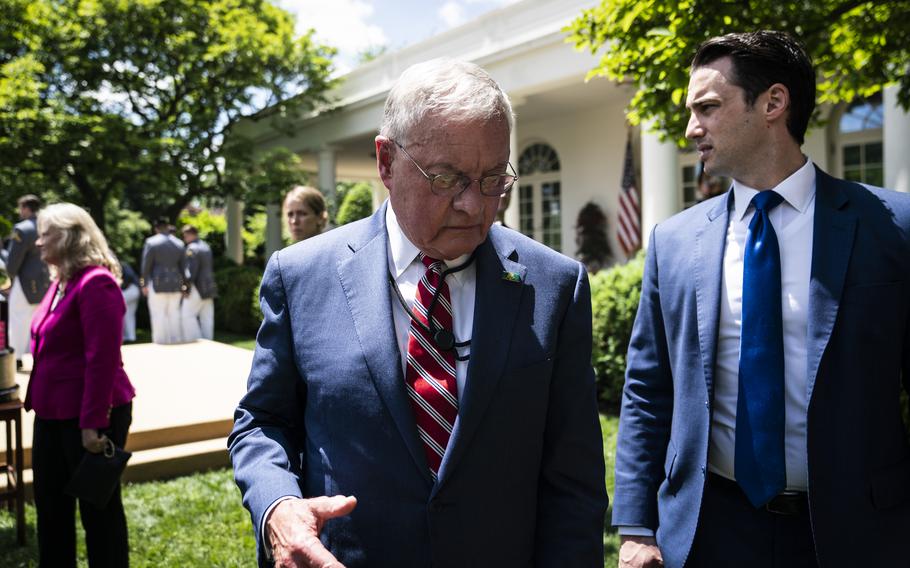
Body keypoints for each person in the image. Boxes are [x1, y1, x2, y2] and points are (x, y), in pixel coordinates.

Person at [229, 58, 607, 567]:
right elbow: (262, 422)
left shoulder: (555, 285)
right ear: (386, 162)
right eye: (447, 179)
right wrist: (277, 505)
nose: (474, 206)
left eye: (494, 178)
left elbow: (575, 482)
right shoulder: (301, 276)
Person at [613, 31, 910, 568]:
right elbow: (647, 389)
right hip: (708, 531)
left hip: (854, 531)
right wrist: (636, 527)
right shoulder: (672, 243)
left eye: (707, 107)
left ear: (773, 103)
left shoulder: (893, 228)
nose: (689, 129)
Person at [25, 202, 136, 567]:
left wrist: (92, 425)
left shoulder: (96, 283)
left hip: (91, 417)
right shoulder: (61, 282)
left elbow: (102, 360)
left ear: (71, 237)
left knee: (98, 514)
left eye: (46, 234)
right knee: (51, 508)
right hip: (52, 414)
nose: (38, 242)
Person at [1, 194, 51, 368]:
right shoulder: (47, 226)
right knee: (40, 320)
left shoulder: (21, 229)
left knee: (17, 320)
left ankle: (16, 358)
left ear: (25, 208)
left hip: (24, 282)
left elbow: (13, 261)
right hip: (46, 281)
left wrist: (8, 280)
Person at [140, 218, 185, 344]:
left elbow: (146, 266)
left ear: (156, 228)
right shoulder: (179, 243)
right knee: (174, 314)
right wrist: (185, 286)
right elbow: (183, 268)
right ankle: (175, 341)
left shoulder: (151, 242)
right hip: (176, 283)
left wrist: (143, 284)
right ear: (167, 226)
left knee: (158, 314)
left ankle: (160, 343)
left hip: (157, 283)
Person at [179, 224, 216, 341]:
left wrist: (186, 287)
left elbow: (190, 271)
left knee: (187, 315)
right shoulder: (206, 246)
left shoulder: (192, 248)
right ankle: (208, 342)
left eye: (185, 236)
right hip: (209, 285)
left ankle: (195, 341)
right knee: (207, 317)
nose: (185, 239)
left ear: (191, 234)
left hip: (197, 286)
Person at [119, 260, 140, 343]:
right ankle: (130, 337)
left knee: (117, 307)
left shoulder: (122, 265)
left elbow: (129, 277)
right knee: (128, 314)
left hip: (132, 289)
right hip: (133, 290)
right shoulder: (122, 264)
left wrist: (121, 286)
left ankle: (124, 337)